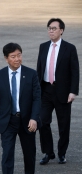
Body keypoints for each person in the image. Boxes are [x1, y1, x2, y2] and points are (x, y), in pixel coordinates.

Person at [0, 43, 41, 174]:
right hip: (7, 121)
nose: (17, 59)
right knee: (7, 155)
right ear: (6, 59)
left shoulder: (31, 74)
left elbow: (37, 98)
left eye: (19, 55)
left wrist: (34, 118)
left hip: (26, 120)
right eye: (13, 56)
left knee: (29, 152)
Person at [36, 18, 80, 165]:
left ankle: (62, 153)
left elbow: (75, 71)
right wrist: (36, 90)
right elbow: (39, 70)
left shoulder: (69, 48)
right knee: (42, 121)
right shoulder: (43, 47)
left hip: (63, 92)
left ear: (61, 30)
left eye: (54, 28)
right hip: (45, 91)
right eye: (49, 28)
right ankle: (48, 153)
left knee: (64, 125)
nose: (51, 31)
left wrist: (73, 91)